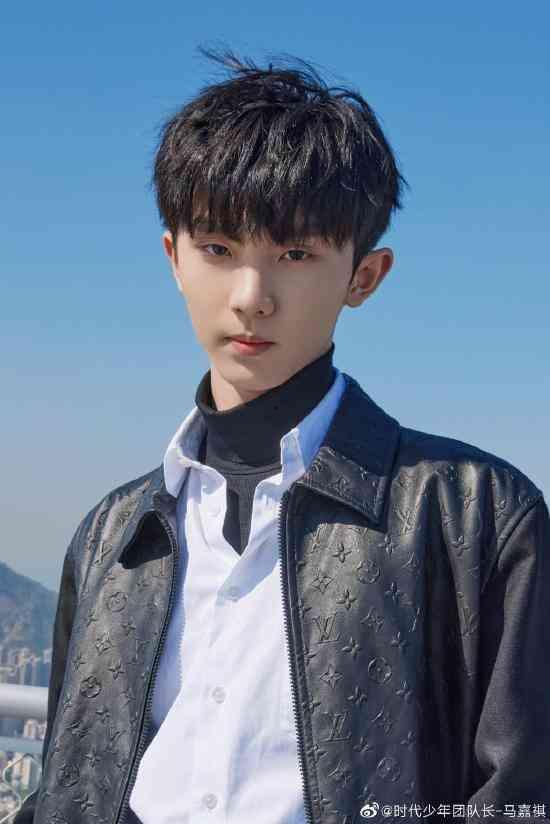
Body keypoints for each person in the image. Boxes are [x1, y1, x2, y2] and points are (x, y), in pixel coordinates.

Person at [15, 45, 549, 824]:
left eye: (295, 254)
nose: (251, 296)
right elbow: (66, 785)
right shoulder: (111, 535)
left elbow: (524, 797)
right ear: (173, 258)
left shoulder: (477, 516)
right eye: (218, 249)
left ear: (364, 276)